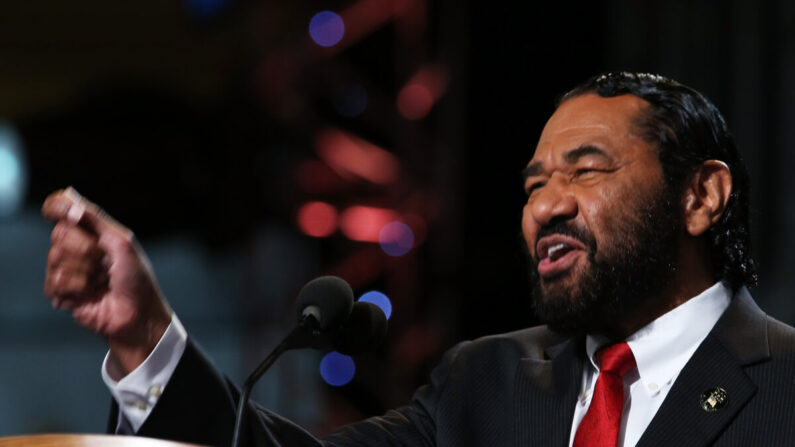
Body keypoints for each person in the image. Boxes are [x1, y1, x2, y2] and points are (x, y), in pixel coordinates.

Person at [42, 72, 795, 446]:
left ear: (701, 196)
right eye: (533, 184)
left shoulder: (783, 387)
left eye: (585, 170)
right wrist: (146, 335)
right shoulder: (486, 381)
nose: (545, 205)